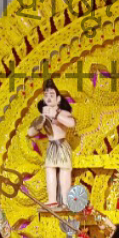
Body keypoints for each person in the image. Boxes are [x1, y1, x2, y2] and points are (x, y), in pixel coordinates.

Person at [27, 78, 76, 207]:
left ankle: (66, 200)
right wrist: (39, 123)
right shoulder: (43, 116)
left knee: (64, 171)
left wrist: (56, 115)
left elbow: (71, 123)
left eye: (52, 95)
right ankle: (52, 199)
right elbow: (30, 133)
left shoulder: (63, 113)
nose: (48, 98)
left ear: (58, 99)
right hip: (51, 146)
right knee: (49, 170)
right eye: (46, 95)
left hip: (62, 144)